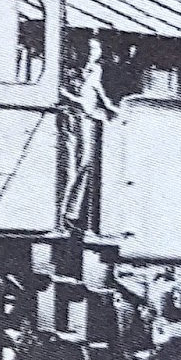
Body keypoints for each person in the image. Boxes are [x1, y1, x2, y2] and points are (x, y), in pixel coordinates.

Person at [62, 37, 118, 226]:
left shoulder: (96, 69)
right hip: (74, 119)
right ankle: (65, 213)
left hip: (87, 119)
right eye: (89, 49)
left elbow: (98, 90)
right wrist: (70, 97)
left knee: (84, 164)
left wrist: (109, 106)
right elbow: (73, 97)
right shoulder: (71, 71)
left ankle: (72, 211)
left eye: (95, 49)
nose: (92, 53)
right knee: (73, 166)